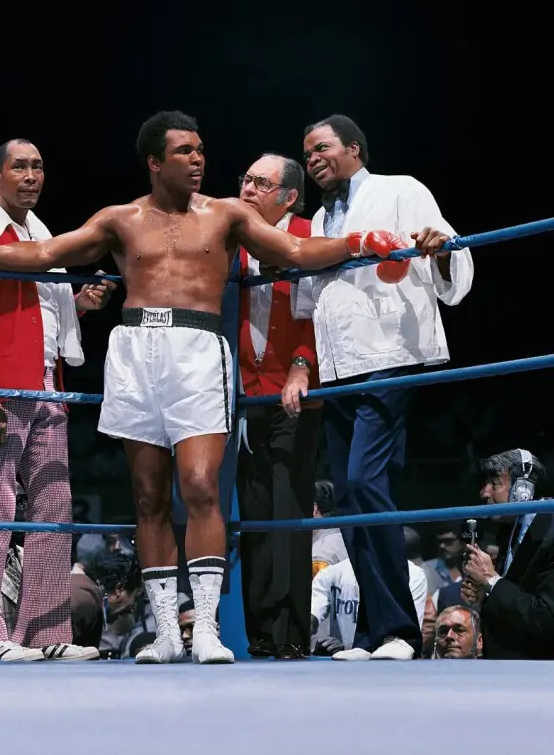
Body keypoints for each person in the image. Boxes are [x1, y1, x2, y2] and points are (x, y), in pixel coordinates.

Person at [0, 110, 427, 665]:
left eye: (201, 149)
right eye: (185, 151)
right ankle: (165, 632)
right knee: (148, 495)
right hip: (136, 349)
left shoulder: (227, 215)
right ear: (156, 161)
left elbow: (298, 253)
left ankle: (204, 627)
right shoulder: (121, 218)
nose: (199, 159)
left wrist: (359, 242)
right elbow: (46, 254)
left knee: (202, 486)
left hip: (199, 349)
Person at [293, 114, 475, 661]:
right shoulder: (323, 218)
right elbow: (311, 298)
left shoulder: (401, 190)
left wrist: (439, 247)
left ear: (354, 148)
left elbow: (450, 255)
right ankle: (376, 633)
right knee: (351, 497)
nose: (313, 159)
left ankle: (398, 629)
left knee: (363, 483)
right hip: (339, 365)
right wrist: (306, 364)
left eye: (321, 147)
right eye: (306, 153)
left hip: (390, 356)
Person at [0, 139, 114, 662]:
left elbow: (36, 318)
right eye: (20, 166)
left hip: (46, 384)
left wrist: (77, 306)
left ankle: (43, 632)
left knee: (54, 507)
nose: (32, 175)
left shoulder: (40, 234)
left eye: (39, 166)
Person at [235, 153, 323, 659]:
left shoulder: (311, 233)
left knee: (289, 507)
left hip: (296, 389)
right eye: (244, 179)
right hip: (246, 391)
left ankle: (291, 632)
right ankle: (260, 634)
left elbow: (324, 310)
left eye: (260, 183)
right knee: (254, 512)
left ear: (288, 196)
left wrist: (302, 363)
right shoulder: (234, 239)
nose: (247, 189)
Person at [461, 448, 553, 659]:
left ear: (523, 490)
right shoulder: (510, 531)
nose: (484, 493)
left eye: (494, 483)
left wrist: (491, 580)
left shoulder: (550, 533)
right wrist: (483, 597)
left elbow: (546, 617)